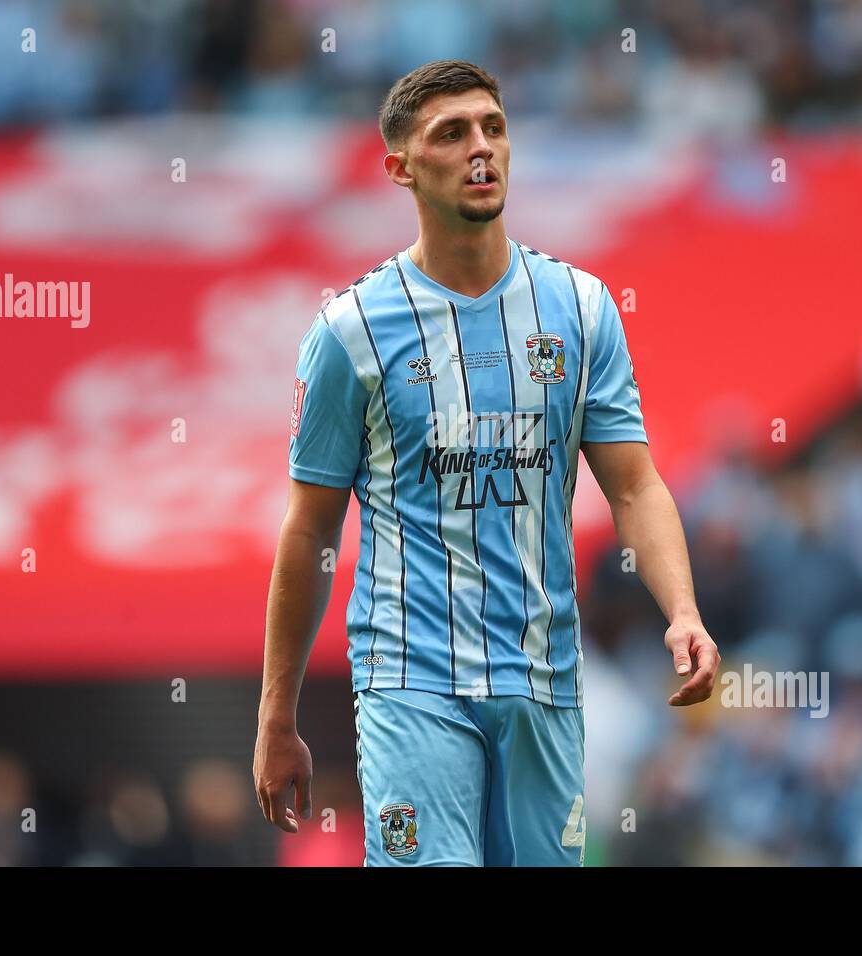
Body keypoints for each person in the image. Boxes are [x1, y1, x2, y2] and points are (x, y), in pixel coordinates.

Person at [253, 59, 719, 866]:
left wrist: (681, 608)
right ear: (401, 168)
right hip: (412, 679)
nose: (481, 149)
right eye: (451, 133)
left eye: (493, 128)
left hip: (543, 678)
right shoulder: (350, 331)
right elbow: (307, 533)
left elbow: (634, 484)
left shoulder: (579, 308)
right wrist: (275, 716)